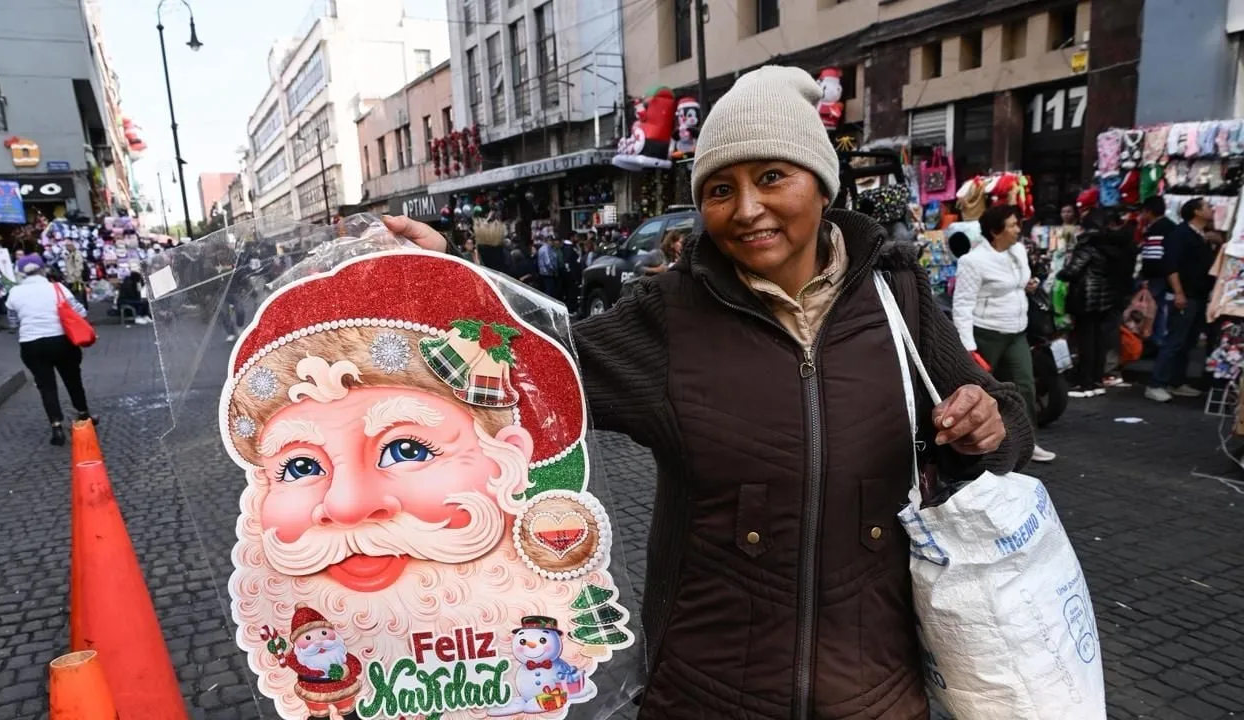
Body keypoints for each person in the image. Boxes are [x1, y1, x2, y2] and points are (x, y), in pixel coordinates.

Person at [382, 65, 1034, 719]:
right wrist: (441, 283)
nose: (746, 209)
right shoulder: (671, 316)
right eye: (721, 189)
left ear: (821, 182)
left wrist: (989, 426)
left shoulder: (899, 297)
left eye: (772, 176)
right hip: (706, 694)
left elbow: (1008, 422)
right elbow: (525, 369)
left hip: (875, 692)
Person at [951, 205, 1054, 463]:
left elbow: (1019, 282)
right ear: (996, 231)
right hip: (986, 333)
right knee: (983, 390)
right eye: (1012, 225)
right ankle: (978, 444)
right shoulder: (973, 261)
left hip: (1016, 331)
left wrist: (1028, 284)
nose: (1018, 229)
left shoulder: (1018, 251)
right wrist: (968, 346)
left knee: (1025, 387)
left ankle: (1027, 441)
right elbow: (962, 303)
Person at [5, 255, 95, 446]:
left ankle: (56, 427)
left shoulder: (14, 293)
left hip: (31, 343)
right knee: (72, 379)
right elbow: (80, 312)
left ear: (21, 273)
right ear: (43, 269)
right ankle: (83, 414)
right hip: (61, 340)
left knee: (46, 385)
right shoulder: (57, 287)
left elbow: (13, 322)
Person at [1057, 208, 1138, 397]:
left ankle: (1084, 383)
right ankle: (1096, 380)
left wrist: (1062, 272)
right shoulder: (1116, 244)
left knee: (1086, 341)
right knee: (1100, 341)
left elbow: (1072, 271)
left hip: (1086, 298)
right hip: (1107, 298)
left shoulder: (1088, 244)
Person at [1146, 198, 1215, 403]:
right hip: (1185, 295)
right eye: (1207, 207)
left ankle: (1176, 381)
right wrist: (1178, 292)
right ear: (1196, 212)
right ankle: (1156, 383)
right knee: (1175, 339)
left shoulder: (1201, 236)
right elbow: (1171, 266)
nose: (1211, 210)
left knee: (1187, 340)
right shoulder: (1180, 234)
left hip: (1198, 294)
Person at [1139, 197, 1177, 347]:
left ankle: (1156, 340)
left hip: (1157, 276)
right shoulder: (1169, 226)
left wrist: (1146, 275)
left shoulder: (1157, 228)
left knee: (1155, 308)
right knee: (1159, 307)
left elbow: (1153, 256)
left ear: (1149, 212)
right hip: (1164, 275)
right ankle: (1158, 339)